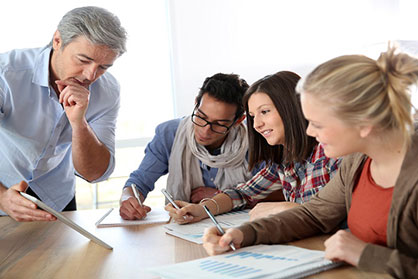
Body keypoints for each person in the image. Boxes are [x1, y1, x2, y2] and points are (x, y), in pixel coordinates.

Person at [202, 47, 418, 278]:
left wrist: (365, 254)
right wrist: (244, 234)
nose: (309, 131)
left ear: (364, 123)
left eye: (319, 123)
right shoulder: (358, 161)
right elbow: (313, 215)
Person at [0, 6, 127, 221]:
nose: (90, 75)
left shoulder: (107, 91)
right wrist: (2, 196)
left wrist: (79, 123)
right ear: (57, 41)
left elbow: (95, 173)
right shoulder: (6, 74)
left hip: (57, 199)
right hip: (4, 189)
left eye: (103, 67)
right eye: (83, 60)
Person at [166, 71, 340, 223]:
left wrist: (289, 208)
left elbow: (336, 212)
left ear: (291, 108)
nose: (257, 125)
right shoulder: (283, 160)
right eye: (252, 116)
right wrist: (203, 209)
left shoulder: (332, 154)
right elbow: (243, 193)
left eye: (264, 112)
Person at [119, 73, 256, 220]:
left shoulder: (254, 141)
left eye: (219, 124)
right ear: (196, 103)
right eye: (201, 117)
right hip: (184, 227)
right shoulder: (170, 134)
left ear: (238, 120)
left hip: (239, 227)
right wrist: (128, 200)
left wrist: (220, 198)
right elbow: (138, 183)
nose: (205, 130)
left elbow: (273, 193)